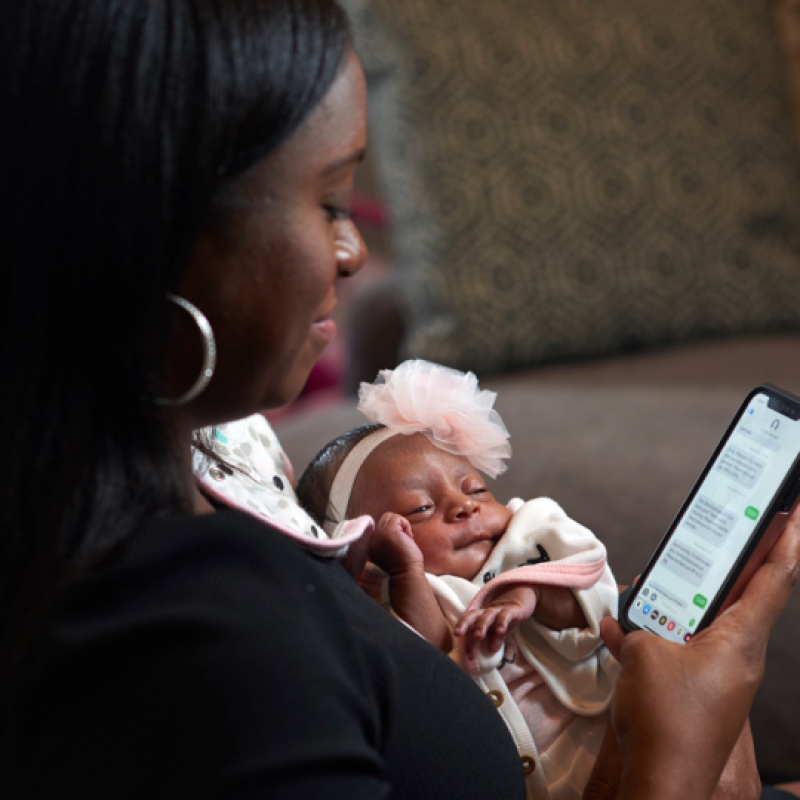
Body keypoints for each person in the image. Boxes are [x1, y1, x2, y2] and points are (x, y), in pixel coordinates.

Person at [1, 1, 799, 798]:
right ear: (160, 232)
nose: (353, 252)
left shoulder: (178, 524)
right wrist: (676, 761)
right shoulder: (195, 636)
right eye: (332, 201)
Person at [296, 358, 620, 800]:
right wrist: (408, 574)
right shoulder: (399, 597)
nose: (463, 507)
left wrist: (526, 594)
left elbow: (596, 592)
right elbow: (434, 665)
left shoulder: (531, 534)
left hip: (609, 746)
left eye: (475, 490)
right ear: (368, 551)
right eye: (420, 509)